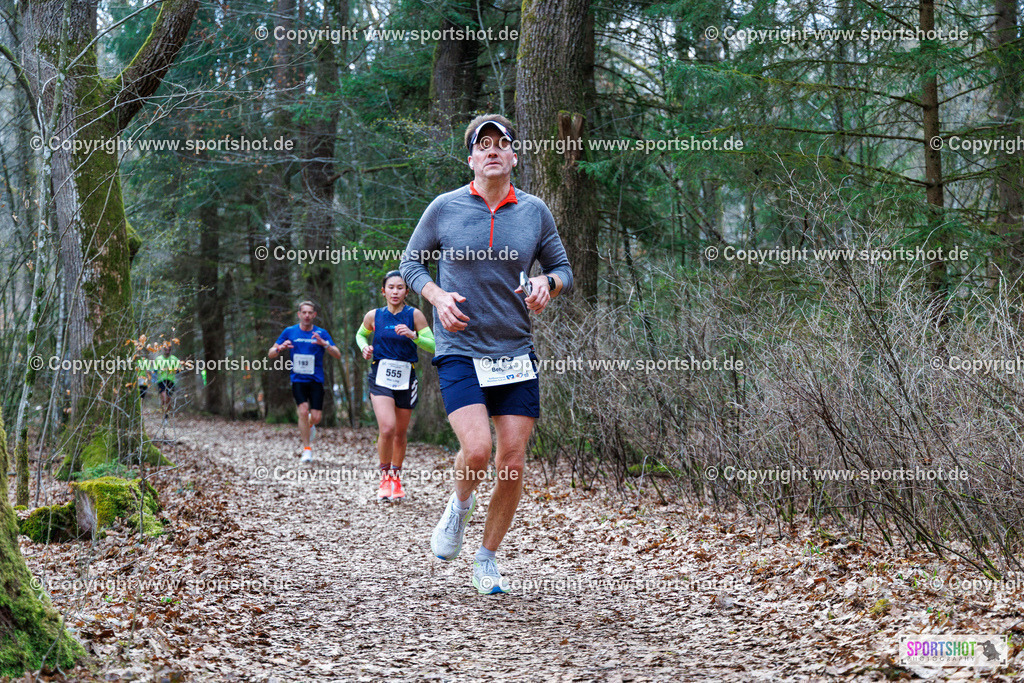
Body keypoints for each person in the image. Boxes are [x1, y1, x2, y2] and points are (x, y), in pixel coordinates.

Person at [400, 114, 573, 594]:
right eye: (484, 144)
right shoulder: (444, 207)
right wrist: (435, 297)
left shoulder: (535, 211)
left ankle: (487, 559)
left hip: (514, 349)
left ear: (514, 156)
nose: (493, 150)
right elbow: (410, 262)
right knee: (477, 452)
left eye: (502, 143)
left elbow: (562, 268)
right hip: (460, 346)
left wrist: (548, 283)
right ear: (471, 158)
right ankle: (458, 508)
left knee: (512, 463)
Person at [356, 270, 435, 501]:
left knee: (400, 433)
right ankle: (383, 478)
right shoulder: (374, 316)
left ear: (406, 292)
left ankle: (395, 479)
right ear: (383, 291)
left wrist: (414, 336)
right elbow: (360, 335)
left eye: (400, 287)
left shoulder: (415, 315)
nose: (395, 291)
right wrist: (364, 347)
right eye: (391, 287)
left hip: (406, 378)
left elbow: (434, 346)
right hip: (380, 376)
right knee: (387, 428)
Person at [268, 301, 341, 463]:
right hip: (298, 379)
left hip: (316, 380)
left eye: (310, 313)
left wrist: (325, 344)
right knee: (302, 410)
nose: (307, 315)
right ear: (299, 314)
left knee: (316, 417)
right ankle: (307, 449)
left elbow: (338, 354)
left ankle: (309, 425)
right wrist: (281, 347)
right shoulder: (289, 331)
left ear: (314, 315)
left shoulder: (321, 332)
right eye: (304, 312)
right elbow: (271, 353)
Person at [153, 345, 182, 419]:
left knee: (169, 399)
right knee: (164, 397)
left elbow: (179, 369)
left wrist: (173, 370)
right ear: (163, 350)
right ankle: (163, 413)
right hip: (161, 380)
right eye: (166, 350)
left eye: (169, 350)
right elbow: (155, 370)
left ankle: (166, 415)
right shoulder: (158, 359)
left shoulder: (174, 359)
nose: (167, 351)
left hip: (171, 381)